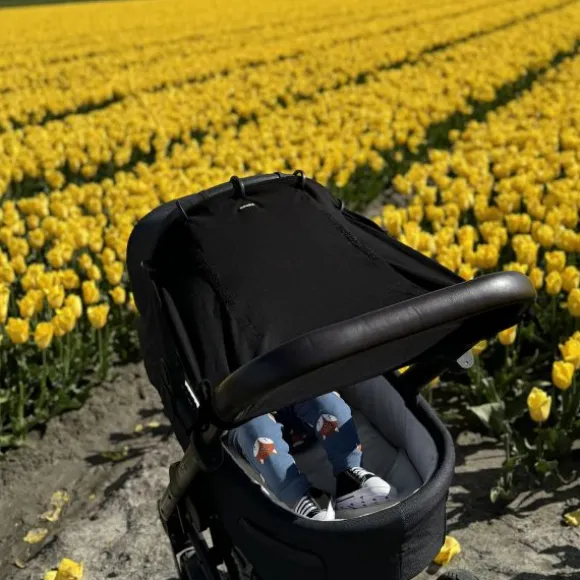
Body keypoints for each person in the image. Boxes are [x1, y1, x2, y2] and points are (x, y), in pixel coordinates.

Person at [228, 392, 394, 521]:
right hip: (248, 408)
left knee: (326, 401)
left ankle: (349, 475)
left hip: (292, 389)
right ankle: (300, 498)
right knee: (255, 432)